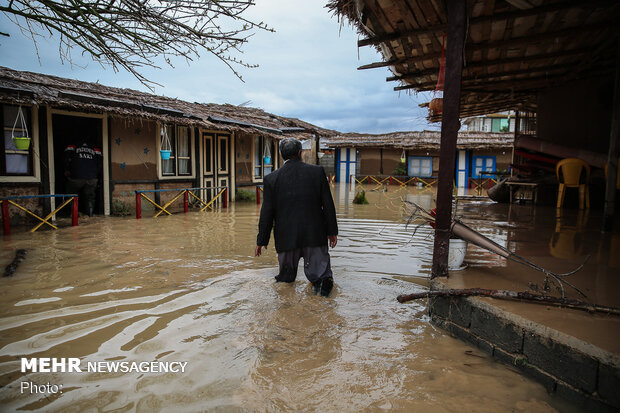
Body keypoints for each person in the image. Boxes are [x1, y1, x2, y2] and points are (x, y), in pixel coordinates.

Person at [255, 138, 338, 297]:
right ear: (300, 153)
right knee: (322, 278)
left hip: (286, 239)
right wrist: (332, 231)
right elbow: (328, 204)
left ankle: (287, 311)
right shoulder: (317, 172)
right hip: (315, 236)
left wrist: (261, 241)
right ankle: (322, 306)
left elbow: (267, 213)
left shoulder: (271, 179)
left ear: (281, 155)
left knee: (285, 281)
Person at [64, 138, 102, 217]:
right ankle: (90, 215)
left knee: (72, 195)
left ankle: (74, 215)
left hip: (76, 177)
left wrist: (67, 169)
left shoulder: (72, 146)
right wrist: (95, 173)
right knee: (90, 197)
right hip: (92, 178)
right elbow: (100, 163)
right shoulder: (95, 148)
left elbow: (66, 159)